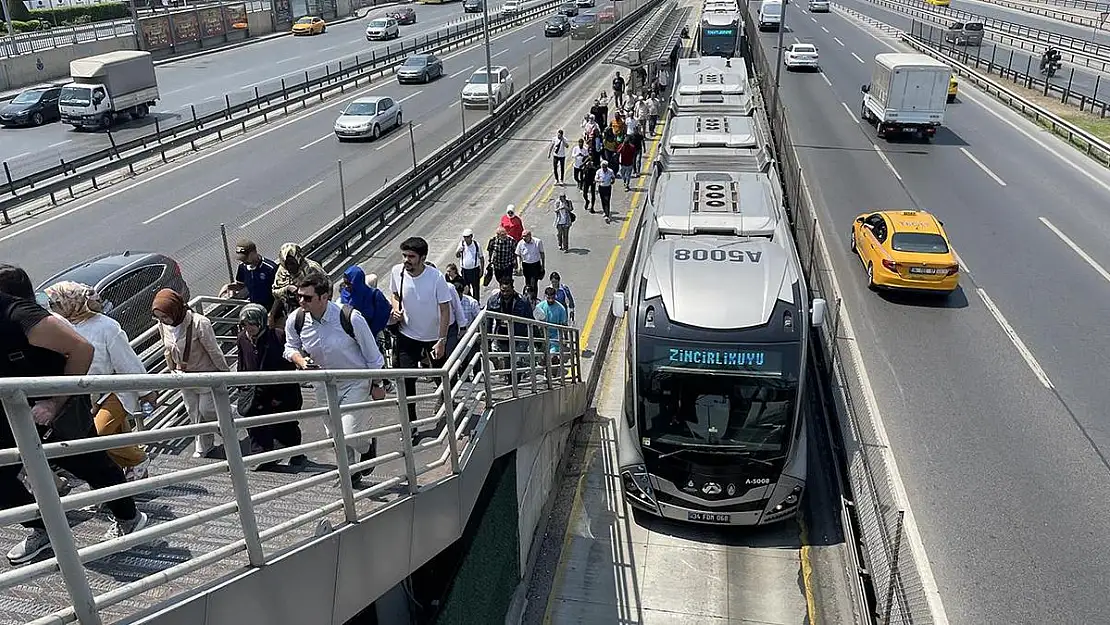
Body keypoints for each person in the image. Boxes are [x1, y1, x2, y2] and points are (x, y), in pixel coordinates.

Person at [0, 264, 148, 565]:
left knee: (89, 465)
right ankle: (46, 530)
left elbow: (81, 348)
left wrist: (55, 402)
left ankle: (130, 517)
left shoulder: (21, 315)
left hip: (57, 407)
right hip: (14, 410)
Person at [43, 282, 153, 481]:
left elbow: (127, 361)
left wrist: (146, 392)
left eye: (56, 302)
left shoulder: (107, 327)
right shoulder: (63, 325)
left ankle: (138, 460)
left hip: (115, 390)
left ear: (71, 303)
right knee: (114, 436)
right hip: (88, 395)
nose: (52, 306)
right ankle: (122, 477)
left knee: (99, 435)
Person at [284, 274, 386, 488]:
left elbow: (373, 356)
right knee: (334, 434)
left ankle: (367, 447)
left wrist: (377, 384)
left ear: (324, 297)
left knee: (348, 433)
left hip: (354, 382)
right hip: (322, 384)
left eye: (307, 298)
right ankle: (350, 472)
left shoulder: (350, 317)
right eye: (299, 297)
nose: (301, 301)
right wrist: (301, 361)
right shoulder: (297, 319)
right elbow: (290, 347)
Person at [153, 288, 230, 459]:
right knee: (194, 413)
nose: (162, 321)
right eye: (159, 317)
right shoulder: (163, 325)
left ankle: (232, 422)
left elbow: (214, 351)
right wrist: (172, 368)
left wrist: (226, 374)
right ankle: (204, 445)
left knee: (208, 410)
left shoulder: (199, 323)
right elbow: (167, 349)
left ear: (175, 309)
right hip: (183, 377)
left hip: (205, 375)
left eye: (165, 316)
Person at [388, 237, 454, 435]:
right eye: (405, 256)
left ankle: (449, 406)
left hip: (434, 337)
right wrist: (396, 308)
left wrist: (441, 340)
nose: (406, 260)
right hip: (408, 335)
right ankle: (410, 425)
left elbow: (445, 310)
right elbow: (395, 294)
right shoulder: (397, 272)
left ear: (423, 258)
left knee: (443, 375)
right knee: (407, 380)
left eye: (411, 257)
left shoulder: (436, 278)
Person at [235, 304, 306, 472]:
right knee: (255, 424)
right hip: (254, 391)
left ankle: (295, 453)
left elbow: (289, 363)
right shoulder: (242, 339)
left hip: (281, 390)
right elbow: (241, 363)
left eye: (252, 324)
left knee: (286, 425)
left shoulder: (278, 336)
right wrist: (241, 386)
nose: (249, 328)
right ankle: (261, 456)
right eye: (244, 325)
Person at [485, 277, 535, 381]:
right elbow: (488, 323)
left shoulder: (523, 301)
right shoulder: (493, 301)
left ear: (513, 288)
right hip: (503, 336)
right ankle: (510, 382)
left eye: (507, 290)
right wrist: (487, 341)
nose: (505, 293)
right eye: (503, 291)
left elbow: (531, 321)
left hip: (519, 335)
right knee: (507, 361)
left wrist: (538, 342)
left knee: (517, 362)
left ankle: (516, 380)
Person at [220, 239, 278, 311]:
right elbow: (240, 285)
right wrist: (228, 287)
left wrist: (272, 314)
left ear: (253, 253)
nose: (243, 261)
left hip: (273, 309)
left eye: (245, 258)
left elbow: (279, 294)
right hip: (256, 309)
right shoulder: (242, 267)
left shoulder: (270, 268)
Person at [340, 265, 391, 346]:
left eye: (349, 283)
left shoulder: (375, 295)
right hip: (351, 340)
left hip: (372, 338)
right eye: (345, 283)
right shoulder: (344, 294)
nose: (346, 286)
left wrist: (368, 335)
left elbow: (383, 315)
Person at [271, 242, 326, 316]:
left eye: (292, 263)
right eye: (287, 264)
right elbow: (275, 292)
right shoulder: (282, 271)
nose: (290, 267)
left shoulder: (311, 268)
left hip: (314, 308)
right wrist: (287, 289)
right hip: (293, 311)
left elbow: (327, 286)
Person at [533, 286, 569, 360]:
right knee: (541, 358)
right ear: (545, 296)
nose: (550, 300)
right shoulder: (540, 306)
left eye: (552, 298)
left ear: (555, 296)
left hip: (555, 337)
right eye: (548, 298)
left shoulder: (561, 309)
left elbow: (564, 324)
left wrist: (566, 338)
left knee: (552, 356)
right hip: (542, 336)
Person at [455, 228, 485, 298]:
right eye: (464, 237)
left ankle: (476, 303)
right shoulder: (462, 244)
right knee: (466, 288)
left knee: (476, 289)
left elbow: (481, 258)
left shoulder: (476, 245)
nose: (466, 239)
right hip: (465, 270)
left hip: (474, 270)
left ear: (471, 236)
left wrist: (482, 270)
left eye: (468, 237)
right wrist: (459, 251)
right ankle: (469, 302)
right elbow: (457, 255)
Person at [516, 230, 546, 295]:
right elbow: (518, 255)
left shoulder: (537, 242)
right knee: (527, 283)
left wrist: (543, 266)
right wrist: (519, 266)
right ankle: (527, 297)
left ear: (530, 236)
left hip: (535, 265)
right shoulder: (521, 243)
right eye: (523, 236)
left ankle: (534, 298)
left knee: (534, 283)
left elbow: (542, 254)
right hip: (526, 265)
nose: (524, 238)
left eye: (525, 236)